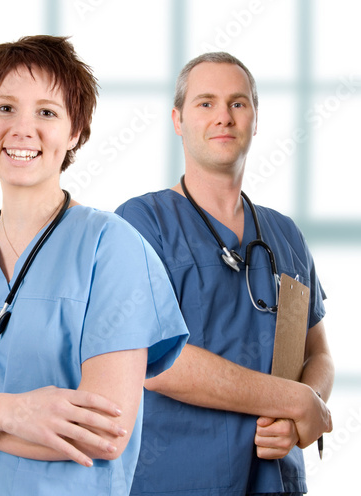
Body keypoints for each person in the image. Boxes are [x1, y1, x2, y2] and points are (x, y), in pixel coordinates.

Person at [0, 35, 189, 496]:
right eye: (4, 108)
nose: (22, 129)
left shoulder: (114, 249)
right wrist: (10, 411)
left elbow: (102, 433)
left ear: (76, 133)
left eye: (47, 112)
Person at [115, 52, 334, 496]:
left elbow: (318, 352)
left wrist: (300, 416)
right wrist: (295, 400)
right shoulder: (142, 223)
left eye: (238, 103)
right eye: (205, 103)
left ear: (255, 119)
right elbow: (154, 361)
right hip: (174, 480)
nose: (224, 117)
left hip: (275, 480)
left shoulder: (285, 234)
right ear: (177, 120)